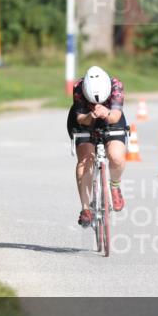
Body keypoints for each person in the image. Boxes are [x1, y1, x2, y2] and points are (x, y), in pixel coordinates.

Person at [67, 66, 127, 227]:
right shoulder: (78, 87)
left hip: (111, 117)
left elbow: (115, 116)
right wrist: (90, 115)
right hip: (85, 120)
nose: (96, 103)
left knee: (116, 156)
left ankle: (115, 186)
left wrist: (106, 113)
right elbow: (80, 118)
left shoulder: (116, 86)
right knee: (85, 161)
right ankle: (85, 208)